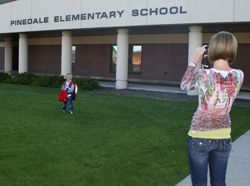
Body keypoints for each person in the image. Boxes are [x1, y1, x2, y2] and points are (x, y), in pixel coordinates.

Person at [180, 31, 244, 186]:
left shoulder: (203, 74)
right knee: (219, 182)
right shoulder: (239, 75)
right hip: (223, 137)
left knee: (199, 183)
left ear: (212, 49)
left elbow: (185, 85)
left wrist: (194, 61)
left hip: (199, 136)